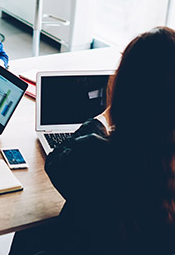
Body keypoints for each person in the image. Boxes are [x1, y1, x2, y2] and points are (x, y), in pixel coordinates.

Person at [10, 26, 175, 255]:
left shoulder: (97, 155)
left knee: (28, 231)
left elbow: (57, 161)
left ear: (126, 91)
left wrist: (102, 118)